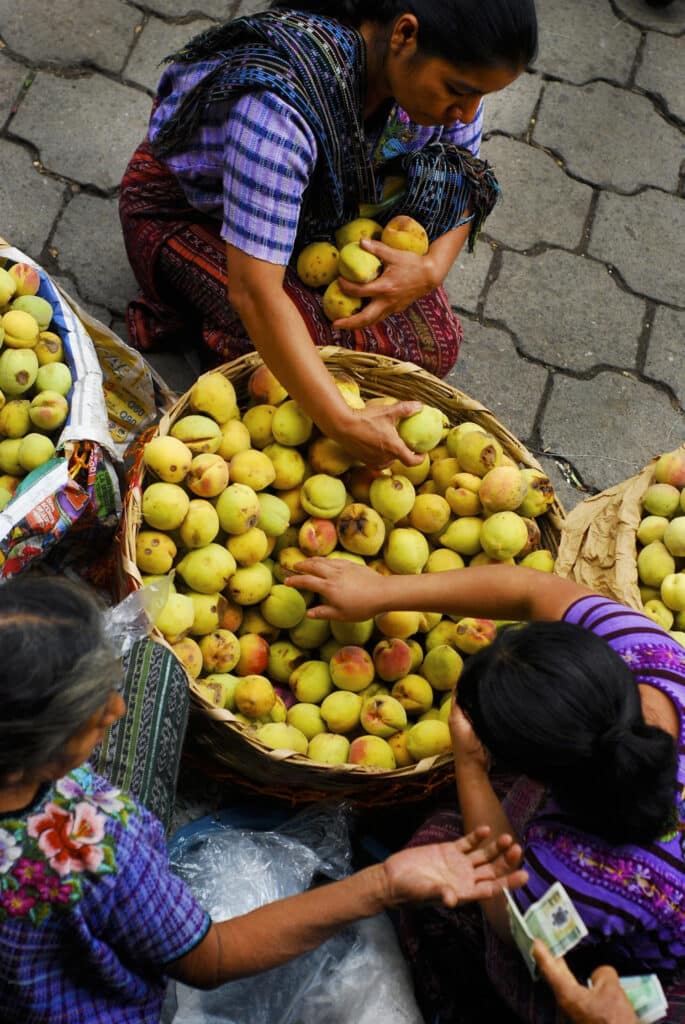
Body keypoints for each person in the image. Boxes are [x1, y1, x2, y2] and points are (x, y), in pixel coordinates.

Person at [0, 573, 528, 1023]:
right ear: (46, 744)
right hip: (90, 1008)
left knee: (153, 663)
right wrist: (383, 884)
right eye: (93, 712)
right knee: (157, 669)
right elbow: (210, 958)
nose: (115, 710)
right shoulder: (96, 842)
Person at [119, 0, 537, 467]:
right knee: (307, 341)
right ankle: (213, 334)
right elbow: (255, 292)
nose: (466, 113)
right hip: (183, 213)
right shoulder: (280, 107)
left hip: (314, 230)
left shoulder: (443, 92)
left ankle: (276, 352)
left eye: (482, 97)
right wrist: (342, 423)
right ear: (405, 35)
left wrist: (430, 269)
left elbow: (462, 174)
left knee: (434, 342)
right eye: (459, 91)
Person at [286, 557, 685, 1022]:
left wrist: (471, 766)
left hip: (642, 963)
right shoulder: (651, 654)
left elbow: (503, 904)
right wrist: (383, 592)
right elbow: (530, 589)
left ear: (532, 776)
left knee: (443, 877)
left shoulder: (583, 874)